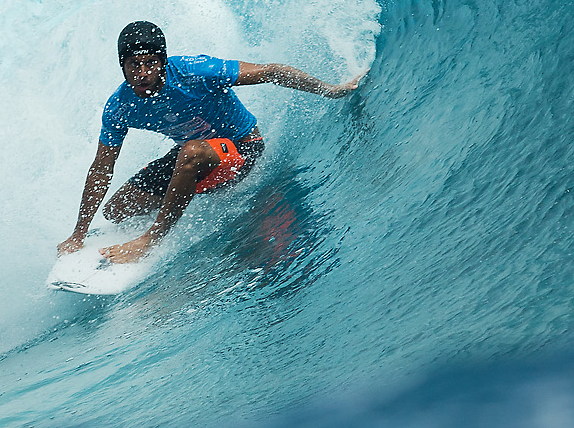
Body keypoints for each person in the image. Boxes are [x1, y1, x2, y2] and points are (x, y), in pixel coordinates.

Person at [57, 20, 365, 265]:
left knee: (191, 152)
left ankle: (150, 240)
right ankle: (177, 200)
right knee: (117, 211)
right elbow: (101, 170)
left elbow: (270, 72)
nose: (143, 74)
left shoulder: (195, 71)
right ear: (122, 66)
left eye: (150, 63)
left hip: (242, 149)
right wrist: (78, 234)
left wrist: (332, 90)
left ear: (163, 62)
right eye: (133, 66)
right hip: (195, 156)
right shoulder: (120, 105)